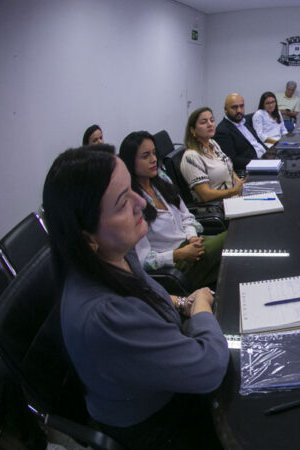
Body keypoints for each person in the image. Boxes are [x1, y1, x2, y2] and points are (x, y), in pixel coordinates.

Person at [42, 147, 228, 449]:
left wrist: (184, 303)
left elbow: (149, 298)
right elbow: (210, 368)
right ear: (87, 237)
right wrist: (201, 309)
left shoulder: (116, 255)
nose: (141, 202)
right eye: (122, 203)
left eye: (131, 188)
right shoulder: (106, 315)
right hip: (162, 426)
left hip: (168, 380)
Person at [119, 131, 226, 288]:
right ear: (130, 162)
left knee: (236, 258)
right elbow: (142, 260)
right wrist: (179, 254)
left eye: (154, 153)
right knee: (234, 238)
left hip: (191, 244)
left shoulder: (161, 179)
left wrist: (192, 237)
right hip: (176, 264)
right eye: (145, 156)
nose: (153, 159)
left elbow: (186, 216)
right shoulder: (133, 203)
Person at [180, 107, 245, 202]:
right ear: (192, 130)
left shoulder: (212, 143)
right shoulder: (191, 157)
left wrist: (239, 182)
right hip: (219, 206)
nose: (210, 124)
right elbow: (205, 195)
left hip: (233, 197)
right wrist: (233, 191)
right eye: (203, 122)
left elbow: (227, 167)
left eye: (212, 120)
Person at [213, 93, 269, 170]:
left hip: (265, 159)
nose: (239, 110)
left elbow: (257, 142)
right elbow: (232, 160)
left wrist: (269, 152)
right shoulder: (222, 131)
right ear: (225, 109)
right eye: (234, 107)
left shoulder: (245, 122)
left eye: (241, 106)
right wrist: (259, 163)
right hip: (251, 168)